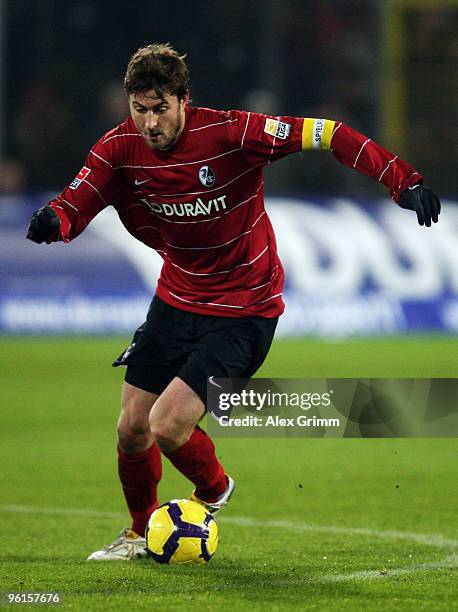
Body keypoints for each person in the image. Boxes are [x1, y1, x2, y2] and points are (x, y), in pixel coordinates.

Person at [26, 43, 441, 561]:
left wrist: (402, 180)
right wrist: (54, 222)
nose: (150, 123)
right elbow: (74, 203)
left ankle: (214, 491)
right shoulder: (116, 148)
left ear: (183, 100)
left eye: (160, 109)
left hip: (245, 308)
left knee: (167, 425)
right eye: (140, 109)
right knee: (132, 429)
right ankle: (137, 533)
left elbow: (330, 133)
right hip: (176, 299)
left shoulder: (233, 133)